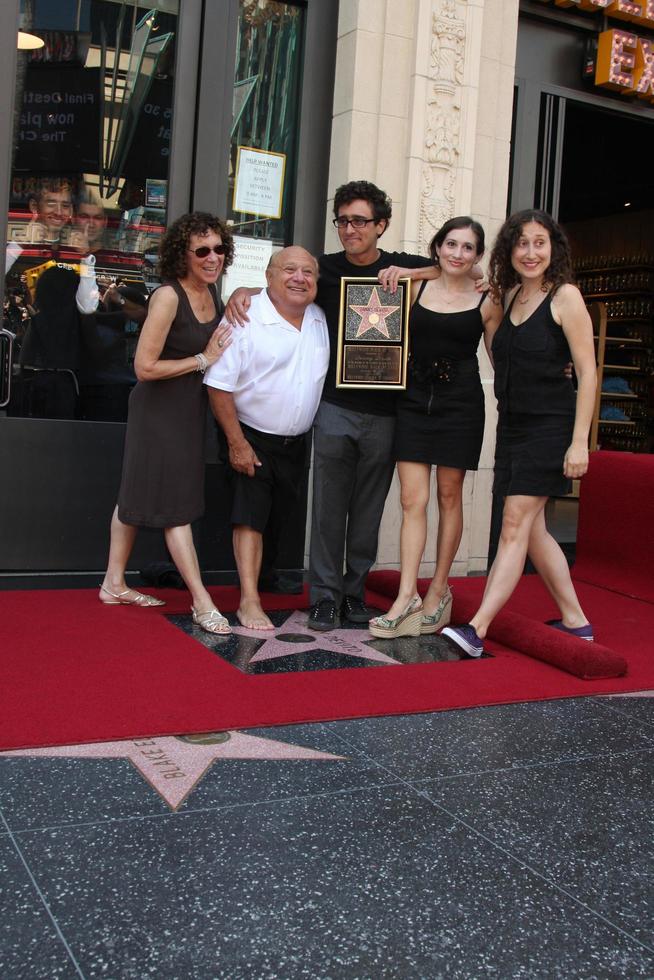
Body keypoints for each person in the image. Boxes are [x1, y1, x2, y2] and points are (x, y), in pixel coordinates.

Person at [224, 181, 436, 630]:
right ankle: (323, 597)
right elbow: (283, 285)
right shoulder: (323, 270)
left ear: (381, 225)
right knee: (327, 510)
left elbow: (455, 269)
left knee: (368, 512)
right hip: (334, 407)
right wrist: (240, 290)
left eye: (360, 221)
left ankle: (354, 594)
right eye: (342, 220)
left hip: (386, 412)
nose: (349, 229)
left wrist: (410, 276)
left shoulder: (403, 266)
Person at [442, 209, 597, 657]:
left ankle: (477, 629)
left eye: (539, 242)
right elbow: (453, 271)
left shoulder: (566, 297)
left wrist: (579, 442)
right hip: (512, 425)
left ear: (554, 248)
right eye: (521, 244)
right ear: (510, 251)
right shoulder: (507, 296)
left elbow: (587, 373)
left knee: (513, 524)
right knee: (532, 531)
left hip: (551, 427)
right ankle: (576, 620)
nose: (531, 252)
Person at [99, 211, 234, 634]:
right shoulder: (168, 297)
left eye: (219, 248)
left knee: (134, 494)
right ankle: (202, 600)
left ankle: (113, 582)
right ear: (183, 254)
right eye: (203, 250)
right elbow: (144, 367)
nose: (213, 257)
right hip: (158, 410)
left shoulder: (214, 292)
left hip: (188, 410)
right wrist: (203, 360)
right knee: (176, 506)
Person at [369, 217, 503, 639]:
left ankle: (439, 590)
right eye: (451, 244)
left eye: (467, 248)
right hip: (412, 401)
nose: (457, 254)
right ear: (438, 247)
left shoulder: (488, 299)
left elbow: (502, 359)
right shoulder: (415, 288)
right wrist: (411, 272)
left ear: (478, 256)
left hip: (461, 405)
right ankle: (406, 594)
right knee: (412, 498)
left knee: (448, 495)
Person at [205, 246, 329, 631]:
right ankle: (248, 601)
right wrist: (237, 442)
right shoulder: (243, 318)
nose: (299, 278)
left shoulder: (320, 317)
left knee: (277, 518)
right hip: (251, 435)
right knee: (250, 519)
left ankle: (265, 577)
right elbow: (219, 386)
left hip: (296, 442)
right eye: (289, 269)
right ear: (269, 277)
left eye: (308, 272)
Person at [25, 179, 73, 245]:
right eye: (51, 204)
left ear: (71, 210)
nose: (58, 213)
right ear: (34, 206)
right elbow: (8, 255)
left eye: (65, 206)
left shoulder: (73, 246)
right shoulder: (21, 244)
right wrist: (22, 242)